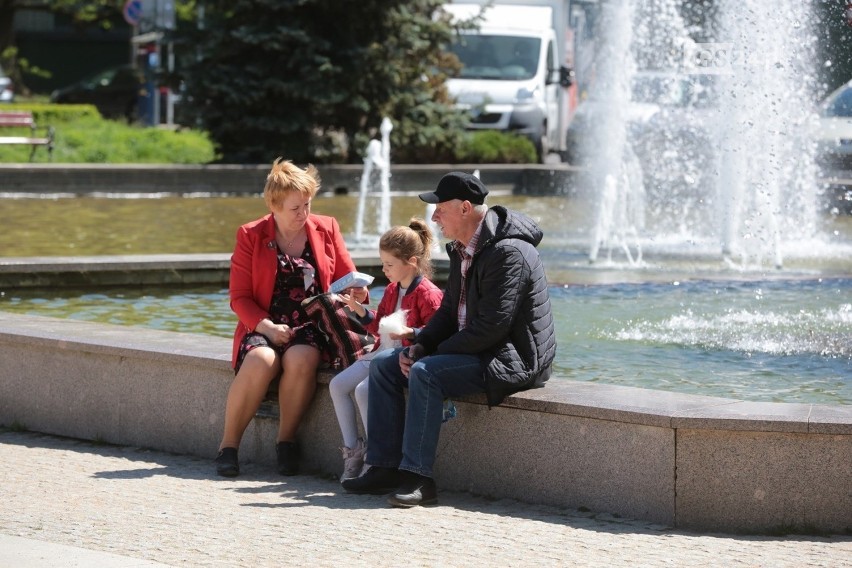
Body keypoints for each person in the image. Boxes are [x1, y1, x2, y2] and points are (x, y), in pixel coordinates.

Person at [342, 171, 556, 507]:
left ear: (466, 208)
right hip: (476, 348)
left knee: (426, 373)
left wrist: (428, 356)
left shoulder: (508, 252)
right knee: (384, 366)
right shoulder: (461, 248)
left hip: (512, 356)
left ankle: (418, 479)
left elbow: (492, 328)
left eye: (441, 208)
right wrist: (422, 344)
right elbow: (446, 314)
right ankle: (384, 467)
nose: (435, 217)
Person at [215, 158, 369, 478]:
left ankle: (286, 443)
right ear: (274, 205)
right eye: (295, 208)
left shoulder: (326, 228)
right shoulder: (251, 235)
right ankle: (228, 447)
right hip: (263, 321)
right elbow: (239, 297)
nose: (304, 214)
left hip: (311, 325)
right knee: (260, 359)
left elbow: (347, 277)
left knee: (302, 359)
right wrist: (267, 327)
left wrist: (358, 295)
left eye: (308, 205)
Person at [328, 219, 444, 482]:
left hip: (403, 361)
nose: (384, 270)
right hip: (379, 355)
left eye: (389, 265)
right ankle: (354, 451)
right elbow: (377, 327)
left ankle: (377, 459)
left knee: (363, 390)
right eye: (383, 263)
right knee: (337, 385)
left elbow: (437, 332)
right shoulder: (393, 289)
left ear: (411, 262)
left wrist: (412, 336)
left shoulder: (429, 294)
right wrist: (358, 311)